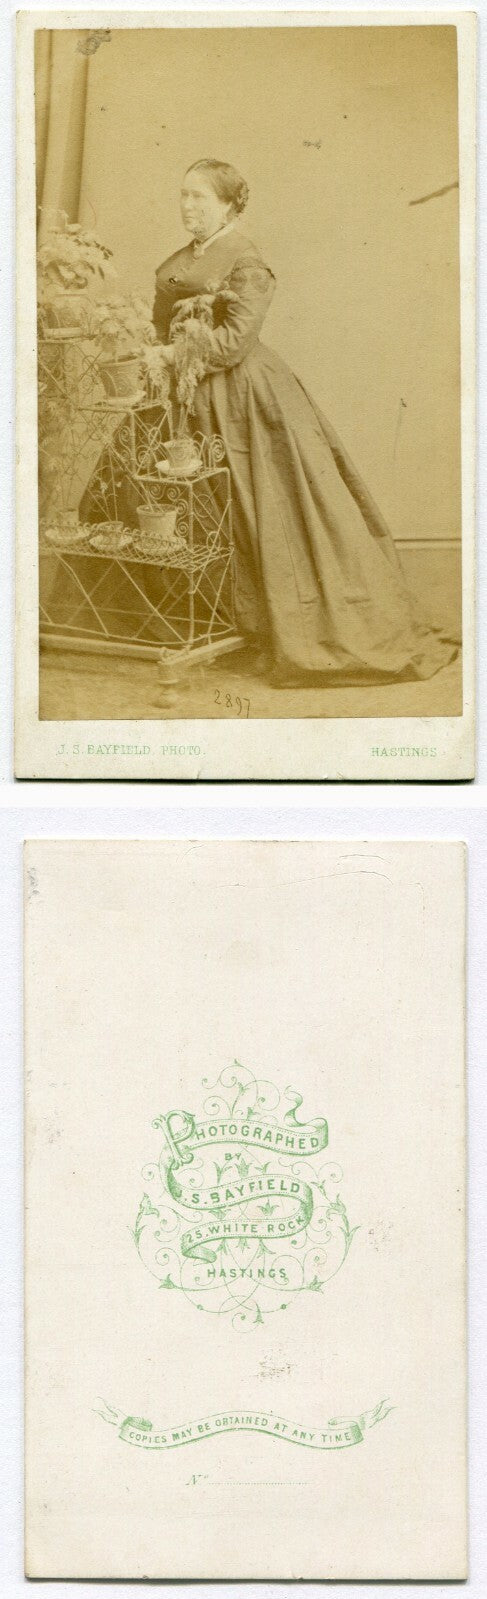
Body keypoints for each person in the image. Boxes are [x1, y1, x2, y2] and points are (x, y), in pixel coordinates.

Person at [153, 158, 458, 685]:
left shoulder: (245, 260)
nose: (188, 206)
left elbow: (232, 344)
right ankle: (213, 623)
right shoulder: (178, 260)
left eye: (199, 197)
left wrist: (172, 354)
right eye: (183, 195)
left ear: (228, 204)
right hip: (184, 398)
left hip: (242, 398)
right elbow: (158, 325)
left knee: (266, 509)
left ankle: (279, 626)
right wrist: (160, 354)